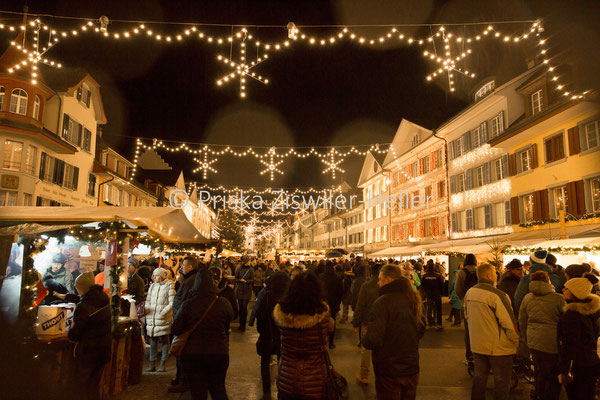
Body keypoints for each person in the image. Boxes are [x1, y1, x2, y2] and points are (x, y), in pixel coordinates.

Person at [362, 265, 425, 400]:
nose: (378, 283)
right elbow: (421, 329)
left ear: (388, 280)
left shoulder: (382, 302)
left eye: (380, 279)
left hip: (388, 369)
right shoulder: (413, 298)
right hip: (411, 366)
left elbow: (373, 338)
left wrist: (364, 339)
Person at [172, 268, 234, 400]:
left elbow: (176, 329)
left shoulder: (187, 304)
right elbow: (231, 318)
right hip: (218, 353)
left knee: (198, 392)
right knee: (218, 390)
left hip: (193, 355)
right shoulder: (223, 303)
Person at [273, 272, 334, 400]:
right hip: (315, 383)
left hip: (286, 380)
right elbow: (331, 328)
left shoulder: (281, 314)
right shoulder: (322, 315)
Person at [464, 263, 519, 400]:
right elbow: (509, 323)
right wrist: (516, 342)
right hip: (498, 347)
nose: (497, 274)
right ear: (489, 276)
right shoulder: (498, 295)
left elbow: (466, 316)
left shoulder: (470, 292)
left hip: (478, 345)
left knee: (479, 379)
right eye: (495, 272)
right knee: (501, 382)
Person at [518, 271, 565, 400]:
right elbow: (565, 321)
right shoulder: (559, 298)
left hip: (533, 339)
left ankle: (539, 394)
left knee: (539, 370)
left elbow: (522, 320)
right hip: (552, 341)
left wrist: (525, 337)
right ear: (548, 281)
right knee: (553, 372)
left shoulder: (527, 297)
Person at [558, 273, 600, 399]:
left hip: (578, 364)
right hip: (592, 361)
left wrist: (564, 370)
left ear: (574, 293)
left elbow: (570, 344)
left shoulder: (572, 315)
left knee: (576, 394)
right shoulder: (591, 311)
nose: (563, 290)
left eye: (566, 288)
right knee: (588, 393)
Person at [68, 274, 111, 400]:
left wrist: (70, 333)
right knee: (94, 385)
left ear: (81, 288)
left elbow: (76, 333)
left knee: (82, 386)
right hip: (103, 350)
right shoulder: (103, 298)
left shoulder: (83, 306)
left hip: (88, 352)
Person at [252, 272, 291, 400]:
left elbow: (260, 317)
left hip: (267, 336)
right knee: (283, 364)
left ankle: (267, 392)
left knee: (264, 364)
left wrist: (262, 331)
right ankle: (282, 389)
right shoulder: (289, 298)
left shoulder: (267, 296)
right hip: (284, 338)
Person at [170, 256, 199, 393]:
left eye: (183, 265)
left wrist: (179, 318)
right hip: (181, 319)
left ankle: (183, 381)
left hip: (183, 322)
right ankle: (180, 379)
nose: (181, 267)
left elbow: (184, 302)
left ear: (190, 267)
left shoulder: (191, 280)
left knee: (181, 353)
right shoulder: (189, 279)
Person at [352, 263, 382, 384]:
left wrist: (355, 323)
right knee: (382, 350)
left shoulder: (366, 286)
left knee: (366, 349)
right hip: (383, 322)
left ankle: (364, 375)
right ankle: (381, 377)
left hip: (367, 321)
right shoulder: (386, 286)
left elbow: (360, 305)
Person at [145, 268, 176, 372]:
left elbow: (172, 302)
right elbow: (148, 300)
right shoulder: (152, 286)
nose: (154, 277)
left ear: (162, 276)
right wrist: (147, 309)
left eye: (156, 275)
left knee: (164, 340)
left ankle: (163, 363)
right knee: (152, 340)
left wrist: (163, 312)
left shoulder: (169, 285)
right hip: (152, 317)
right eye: (153, 275)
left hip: (163, 317)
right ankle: (152, 363)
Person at [455, 254, 479, 363]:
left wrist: (463, 298)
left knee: (468, 330)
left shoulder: (462, 272)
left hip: (466, 302)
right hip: (480, 302)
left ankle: (469, 356)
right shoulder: (479, 270)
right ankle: (479, 355)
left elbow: (457, 288)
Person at [318, 263, 343, 349]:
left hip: (322, 303)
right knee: (332, 321)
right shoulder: (337, 278)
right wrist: (338, 302)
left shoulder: (320, 277)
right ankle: (331, 343)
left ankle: (322, 341)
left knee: (321, 322)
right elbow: (340, 292)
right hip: (333, 303)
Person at [420, 262, 444, 329]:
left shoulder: (425, 276)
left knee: (429, 308)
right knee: (438, 309)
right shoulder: (438, 276)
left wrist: (424, 294)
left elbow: (422, 286)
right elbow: (442, 285)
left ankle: (430, 322)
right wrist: (441, 293)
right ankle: (439, 323)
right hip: (437, 294)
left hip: (429, 294)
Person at [234, 258, 254, 332]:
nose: (249, 262)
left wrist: (246, 281)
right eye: (248, 261)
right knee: (240, 307)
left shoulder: (251, 270)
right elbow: (236, 278)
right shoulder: (239, 269)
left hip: (247, 290)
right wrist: (240, 280)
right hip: (240, 290)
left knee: (244, 307)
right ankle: (240, 323)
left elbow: (252, 280)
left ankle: (243, 325)